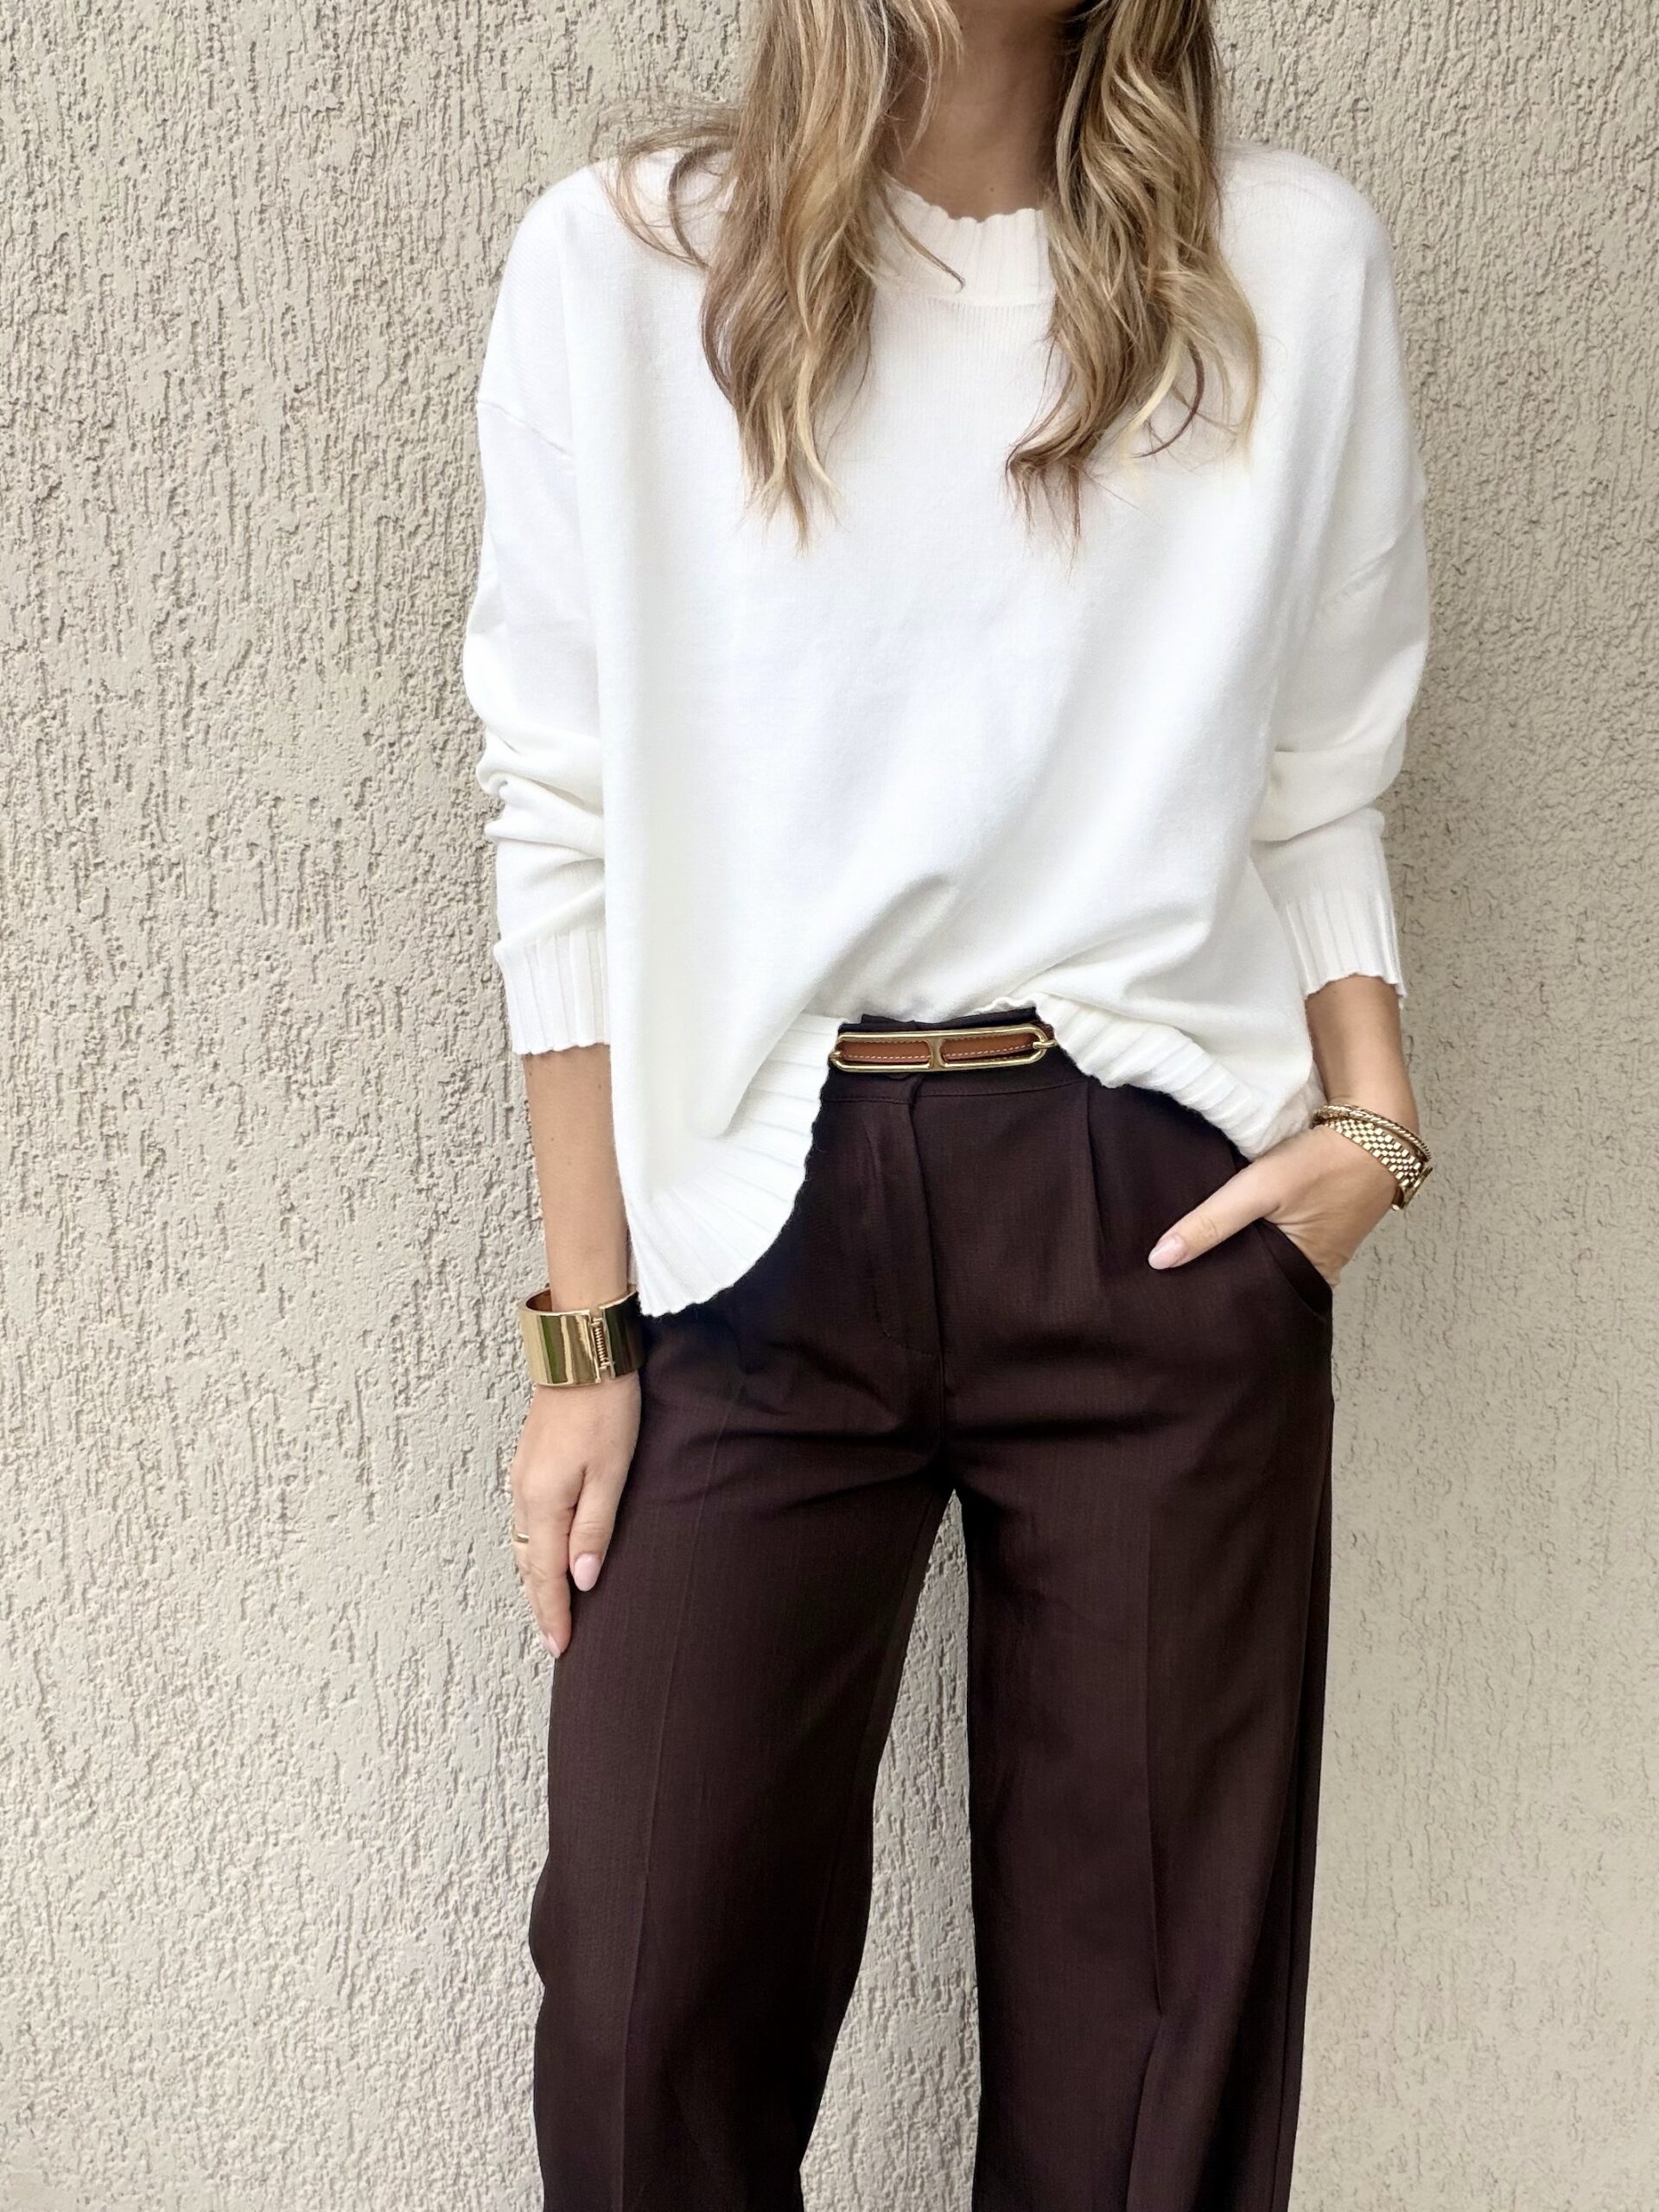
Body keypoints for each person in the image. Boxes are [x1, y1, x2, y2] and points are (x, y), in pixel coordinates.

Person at [461, 0, 1433, 2202]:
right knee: (641, 2019)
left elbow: (1321, 775)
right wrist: (584, 1334)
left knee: (1149, 2087)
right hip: (751, 1231)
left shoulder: (1287, 267)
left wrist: (1370, 1129)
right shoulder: (623, 268)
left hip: (1152, 1211)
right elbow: (560, 817)